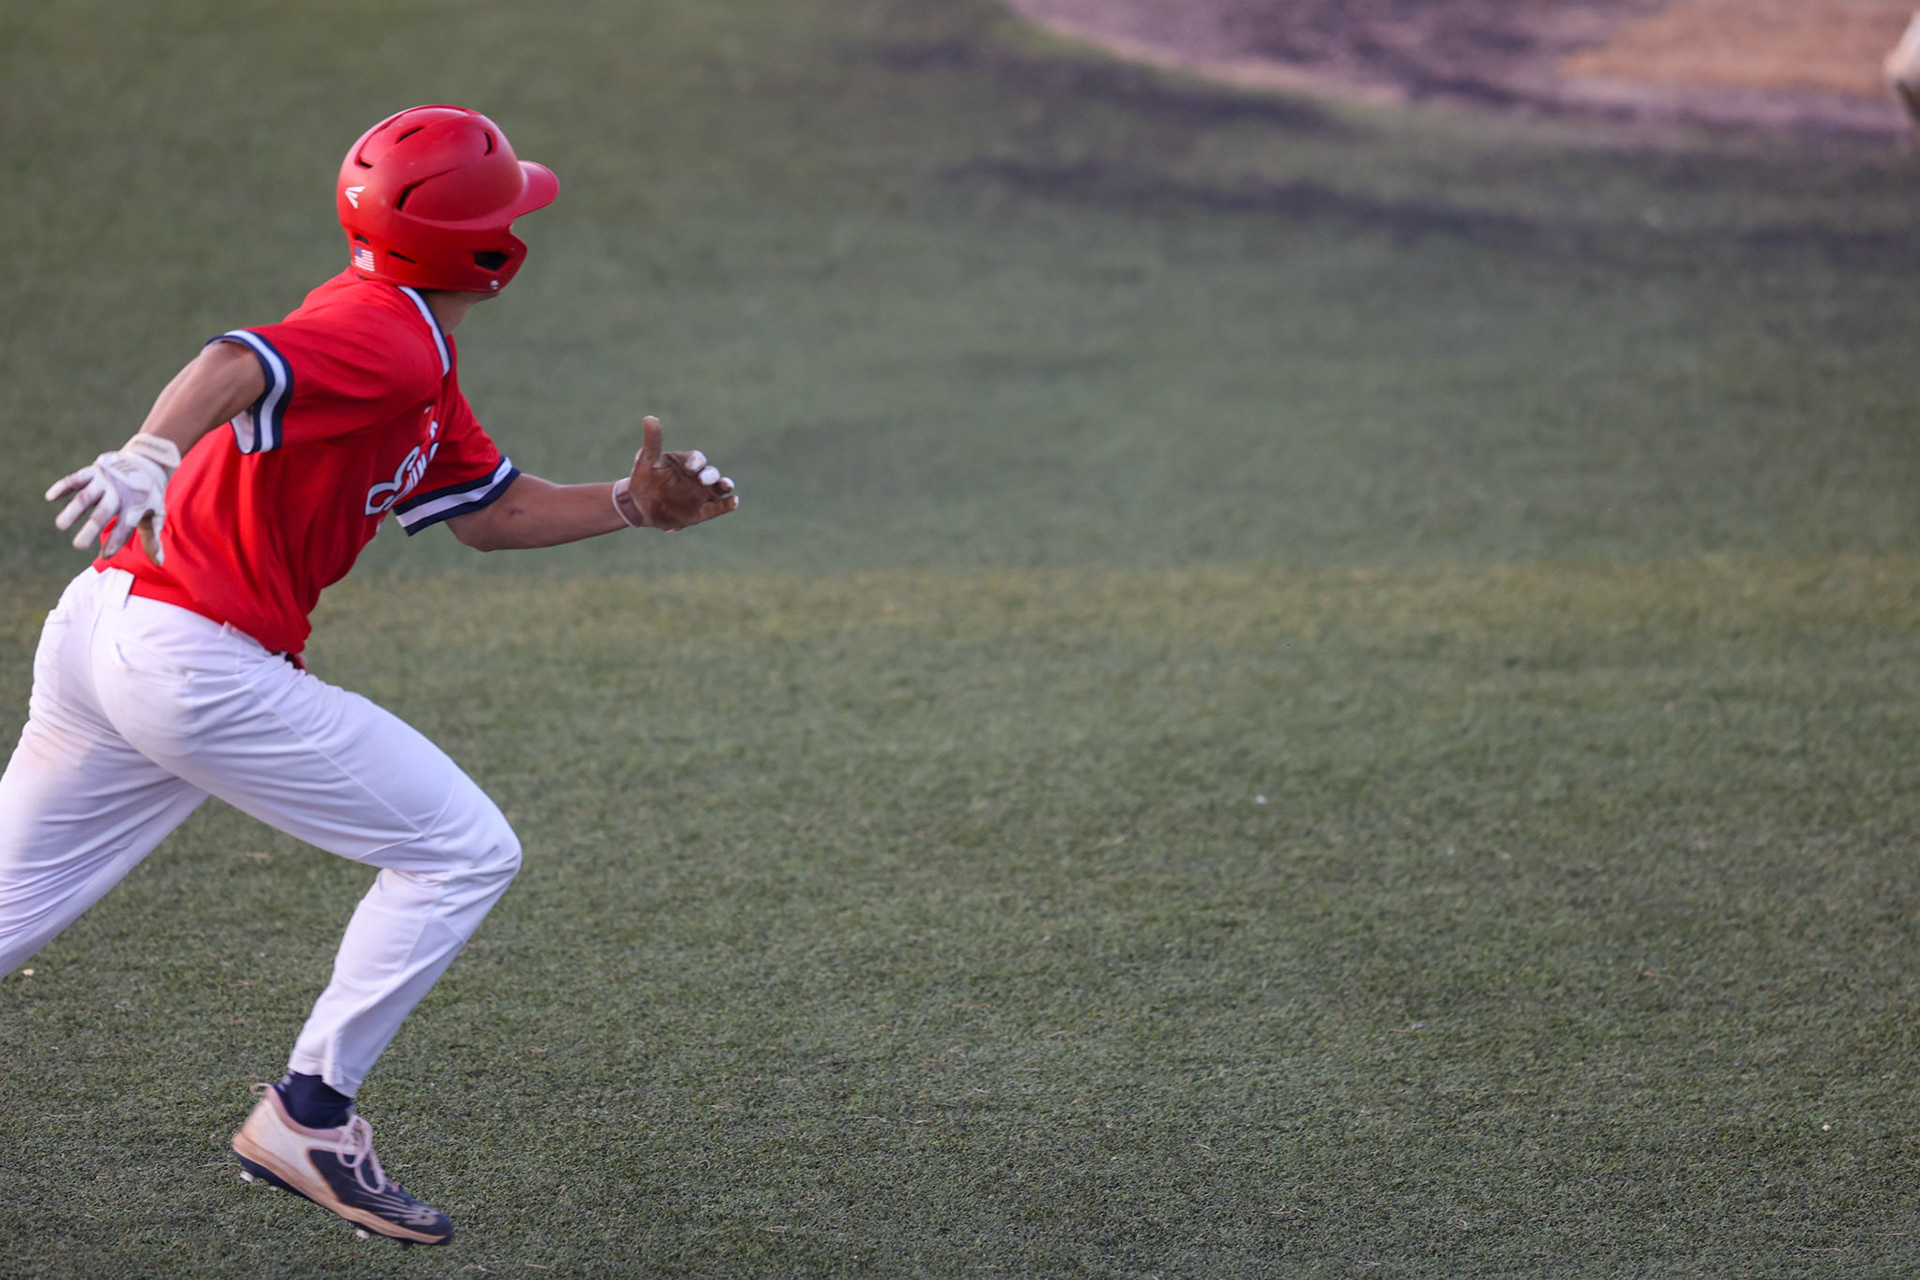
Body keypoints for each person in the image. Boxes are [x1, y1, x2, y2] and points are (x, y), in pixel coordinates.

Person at [0, 104, 737, 1246]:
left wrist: (635, 504)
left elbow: (493, 513)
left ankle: (309, 1115)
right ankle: (310, 1116)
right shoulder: (382, 333)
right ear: (487, 253)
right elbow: (236, 360)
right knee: (463, 849)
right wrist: (152, 445)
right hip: (186, 656)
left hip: (108, 626)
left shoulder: (418, 363)